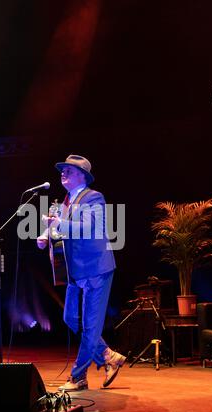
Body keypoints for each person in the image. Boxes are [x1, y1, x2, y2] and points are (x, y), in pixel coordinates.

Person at [37, 155, 126, 390]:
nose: (63, 173)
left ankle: (78, 377)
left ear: (82, 176)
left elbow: (88, 227)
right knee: (70, 318)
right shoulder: (64, 201)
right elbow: (56, 228)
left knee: (89, 325)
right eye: (63, 170)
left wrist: (58, 225)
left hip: (96, 269)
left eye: (69, 170)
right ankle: (108, 355)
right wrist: (45, 236)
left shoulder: (93, 197)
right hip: (75, 272)